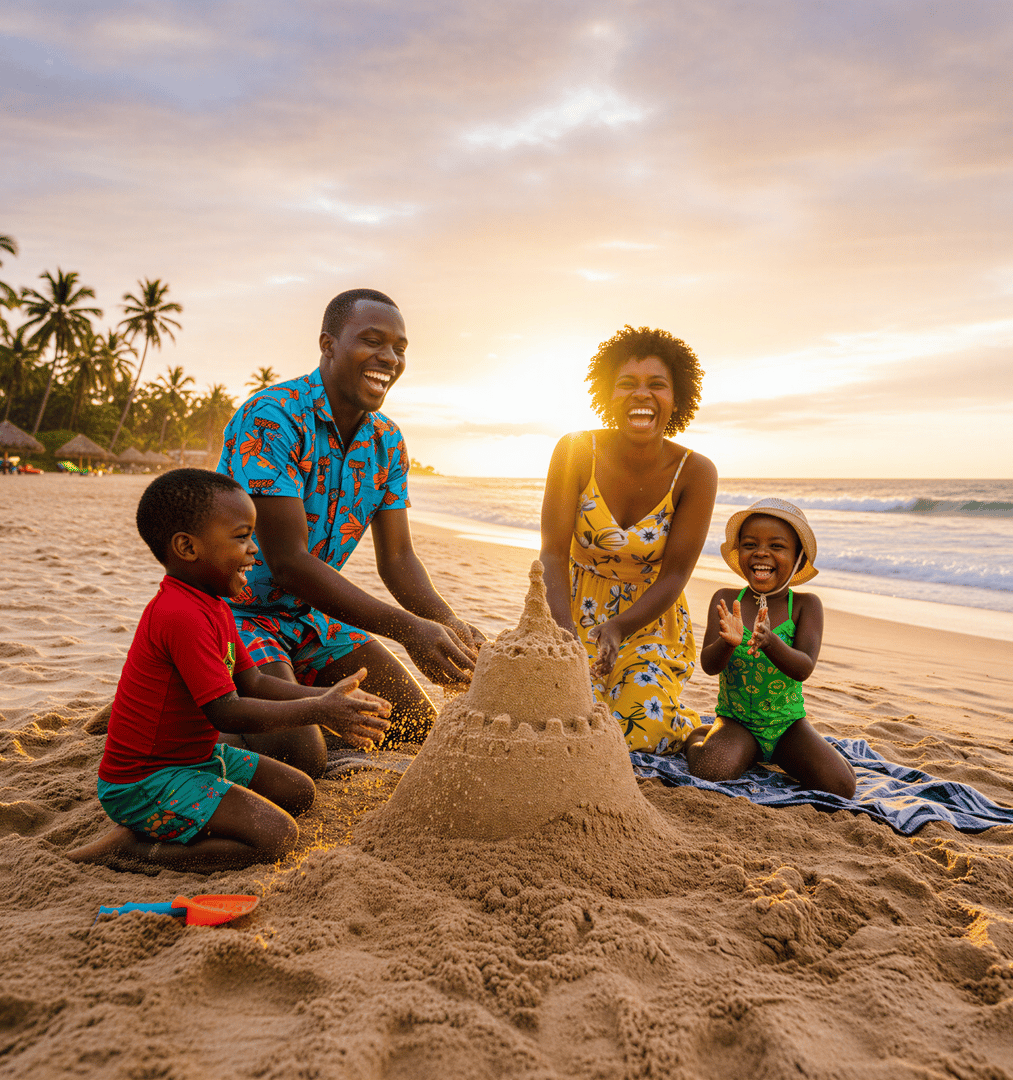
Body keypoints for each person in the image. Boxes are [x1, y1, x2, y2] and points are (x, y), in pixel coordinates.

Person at [67, 469, 392, 872]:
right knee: (277, 836)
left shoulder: (216, 605)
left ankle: (171, 823)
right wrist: (318, 712)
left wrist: (328, 699)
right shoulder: (180, 614)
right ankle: (131, 850)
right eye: (241, 537)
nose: (254, 549)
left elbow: (253, 682)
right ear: (187, 547)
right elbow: (227, 711)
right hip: (143, 782)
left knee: (298, 791)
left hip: (194, 759)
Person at [217, 288, 484, 777]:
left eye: (400, 347)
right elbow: (289, 561)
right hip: (235, 614)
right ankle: (192, 699)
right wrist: (407, 629)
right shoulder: (272, 417)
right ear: (329, 345)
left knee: (413, 728)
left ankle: (284, 691)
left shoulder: (388, 441)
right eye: (372, 340)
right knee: (299, 758)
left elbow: (398, 560)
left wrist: (447, 624)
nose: (389, 357)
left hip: (311, 618)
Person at [540, 325, 718, 753]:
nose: (642, 394)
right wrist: (565, 634)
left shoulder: (696, 472)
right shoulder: (576, 450)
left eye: (657, 385)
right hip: (571, 608)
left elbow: (675, 576)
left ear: (676, 399)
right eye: (627, 384)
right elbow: (551, 554)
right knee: (562, 714)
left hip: (650, 620)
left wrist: (618, 628)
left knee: (636, 730)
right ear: (607, 393)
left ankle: (680, 720)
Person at [685, 498, 856, 797]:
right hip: (736, 720)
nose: (761, 552)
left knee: (841, 786)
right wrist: (728, 644)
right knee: (711, 771)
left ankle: (774, 753)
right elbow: (710, 666)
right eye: (750, 544)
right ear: (740, 555)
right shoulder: (726, 598)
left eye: (777, 546)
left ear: (799, 559)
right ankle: (698, 736)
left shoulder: (806, 605)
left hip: (788, 725)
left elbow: (803, 668)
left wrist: (771, 642)